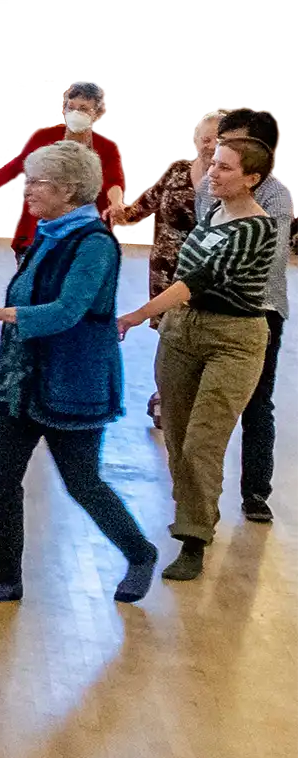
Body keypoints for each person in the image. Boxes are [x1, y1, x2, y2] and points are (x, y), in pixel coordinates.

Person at [0, 141, 158, 606]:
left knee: (82, 482)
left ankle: (140, 553)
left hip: (73, 384)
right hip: (24, 380)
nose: (28, 190)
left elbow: (66, 312)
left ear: (68, 189)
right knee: (1, 480)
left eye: (37, 181)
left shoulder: (94, 244)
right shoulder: (47, 231)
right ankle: (7, 578)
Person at [121, 136, 280, 582]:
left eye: (227, 167)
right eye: (214, 163)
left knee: (202, 443)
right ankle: (193, 513)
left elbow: (198, 279)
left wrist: (135, 316)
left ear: (252, 179)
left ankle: (194, 538)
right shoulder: (212, 213)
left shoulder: (256, 227)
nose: (214, 171)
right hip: (182, 332)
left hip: (233, 339)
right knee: (176, 433)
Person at [198, 109, 289, 523]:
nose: (218, 147)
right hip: (205, 308)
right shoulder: (208, 181)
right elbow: (204, 238)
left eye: (230, 140)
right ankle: (199, 504)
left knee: (256, 405)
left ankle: (255, 491)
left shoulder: (276, 196)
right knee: (202, 413)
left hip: (258, 311)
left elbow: (265, 254)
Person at [125, 110, 222, 426]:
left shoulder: (229, 180)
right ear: (195, 141)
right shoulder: (177, 172)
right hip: (166, 271)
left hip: (208, 274)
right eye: (205, 138)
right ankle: (165, 397)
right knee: (168, 337)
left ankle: (192, 398)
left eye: (219, 138)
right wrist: (117, 216)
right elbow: (145, 204)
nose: (211, 145)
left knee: (199, 334)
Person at [0, 81, 125, 257]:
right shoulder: (42, 138)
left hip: (84, 236)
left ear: (97, 114)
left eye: (83, 109)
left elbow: (114, 181)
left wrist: (116, 203)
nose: (75, 113)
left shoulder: (107, 147)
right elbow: (16, 166)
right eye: (70, 107)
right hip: (39, 234)